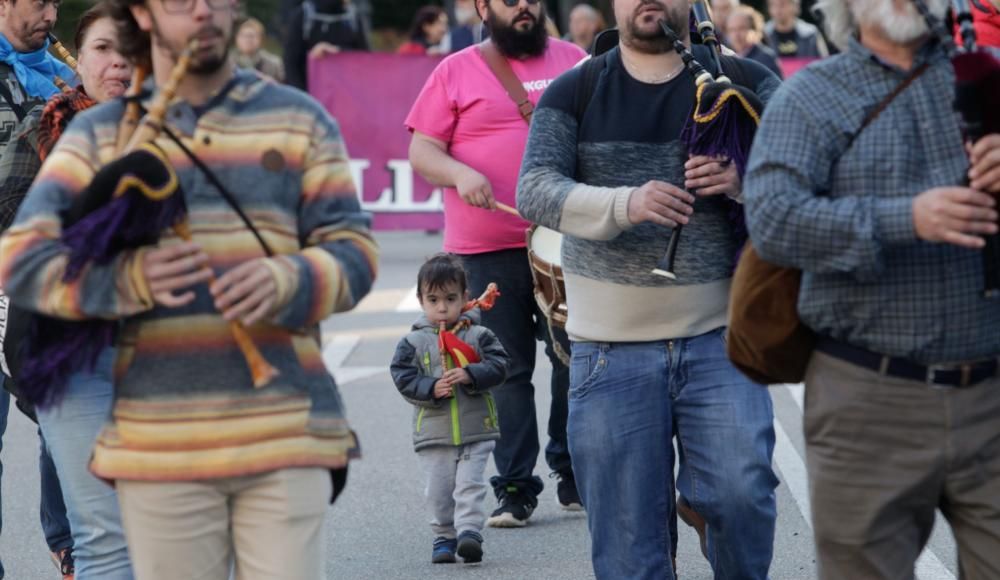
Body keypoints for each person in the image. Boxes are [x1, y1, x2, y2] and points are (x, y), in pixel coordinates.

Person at [0, 0, 378, 574]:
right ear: (147, 17)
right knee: (112, 549)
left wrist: (292, 277)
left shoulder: (297, 117)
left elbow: (354, 251)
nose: (201, 12)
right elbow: (20, 261)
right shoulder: (95, 131)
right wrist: (123, 281)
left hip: (279, 418)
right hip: (153, 432)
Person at [516, 0, 782, 576]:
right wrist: (624, 203)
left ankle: (702, 500)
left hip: (723, 339)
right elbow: (533, 189)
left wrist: (744, 180)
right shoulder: (575, 89)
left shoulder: (748, 81)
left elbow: (803, 180)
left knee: (742, 497)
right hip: (608, 352)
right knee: (629, 549)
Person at [744, 0, 1000, 576]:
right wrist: (903, 220)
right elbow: (773, 221)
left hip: (992, 391)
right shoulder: (809, 96)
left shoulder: (990, 73)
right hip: (866, 400)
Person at [406, 0, 586, 527]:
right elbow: (423, 151)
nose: (523, 6)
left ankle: (574, 472)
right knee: (503, 369)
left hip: (563, 241)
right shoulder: (454, 70)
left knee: (575, 358)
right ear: (483, 7)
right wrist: (460, 173)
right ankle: (514, 487)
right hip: (485, 248)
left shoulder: (575, 59)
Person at [0, 4, 137, 578]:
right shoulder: (48, 124)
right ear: (80, 59)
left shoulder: (186, 128)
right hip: (65, 337)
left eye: (131, 53)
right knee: (103, 536)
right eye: (104, 49)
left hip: (164, 348)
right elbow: (10, 218)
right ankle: (70, 550)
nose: (118, 65)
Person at [0, 0, 78, 577]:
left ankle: (70, 546)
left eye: (55, 2)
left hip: (55, 274)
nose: (50, 13)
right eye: (37, 1)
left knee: (62, 422)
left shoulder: (67, 74)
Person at [390, 253, 510, 564]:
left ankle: (469, 532)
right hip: (434, 433)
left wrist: (472, 374)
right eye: (433, 299)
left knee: (469, 485)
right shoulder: (412, 342)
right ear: (420, 300)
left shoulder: (479, 335)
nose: (442, 308)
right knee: (439, 491)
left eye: (450, 298)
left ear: (465, 298)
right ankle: (444, 536)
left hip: (476, 428)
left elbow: (500, 366)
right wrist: (431, 388)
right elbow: (403, 377)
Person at [283, 0, 368, 90]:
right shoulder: (304, 15)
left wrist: (339, 52)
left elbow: (365, 60)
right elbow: (291, 62)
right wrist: (302, 98)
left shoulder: (352, 17)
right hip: (310, 93)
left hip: (346, 94)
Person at [728, 5, 783, 77]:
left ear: (755, 30)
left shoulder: (766, 58)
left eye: (741, 28)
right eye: (732, 30)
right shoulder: (727, 57)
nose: (736, 34)